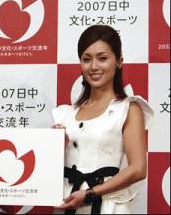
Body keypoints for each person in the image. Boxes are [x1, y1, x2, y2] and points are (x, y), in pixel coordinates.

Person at [52, 25, 154, 214]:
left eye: (103, 58)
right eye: (86, 59)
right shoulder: (66, 114)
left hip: (107, 206)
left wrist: (91, 194)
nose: (94, 66)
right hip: (66, 204)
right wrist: (52, 145)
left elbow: (139, 169)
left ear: (119, 61)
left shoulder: (128, 108)